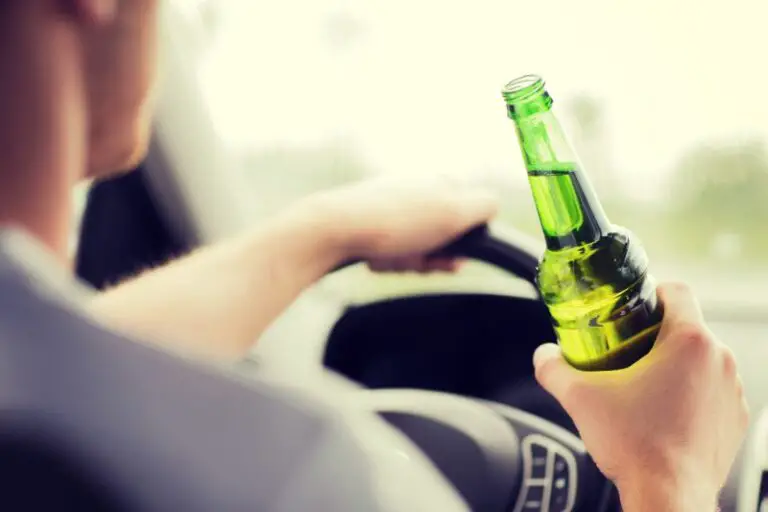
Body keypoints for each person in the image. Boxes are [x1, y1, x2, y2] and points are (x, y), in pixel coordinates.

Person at [0, 1, 748, 511]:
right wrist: (669, 475)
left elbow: (67, 360)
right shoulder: (303, 474)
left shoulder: (39, 390)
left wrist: (323, 231)